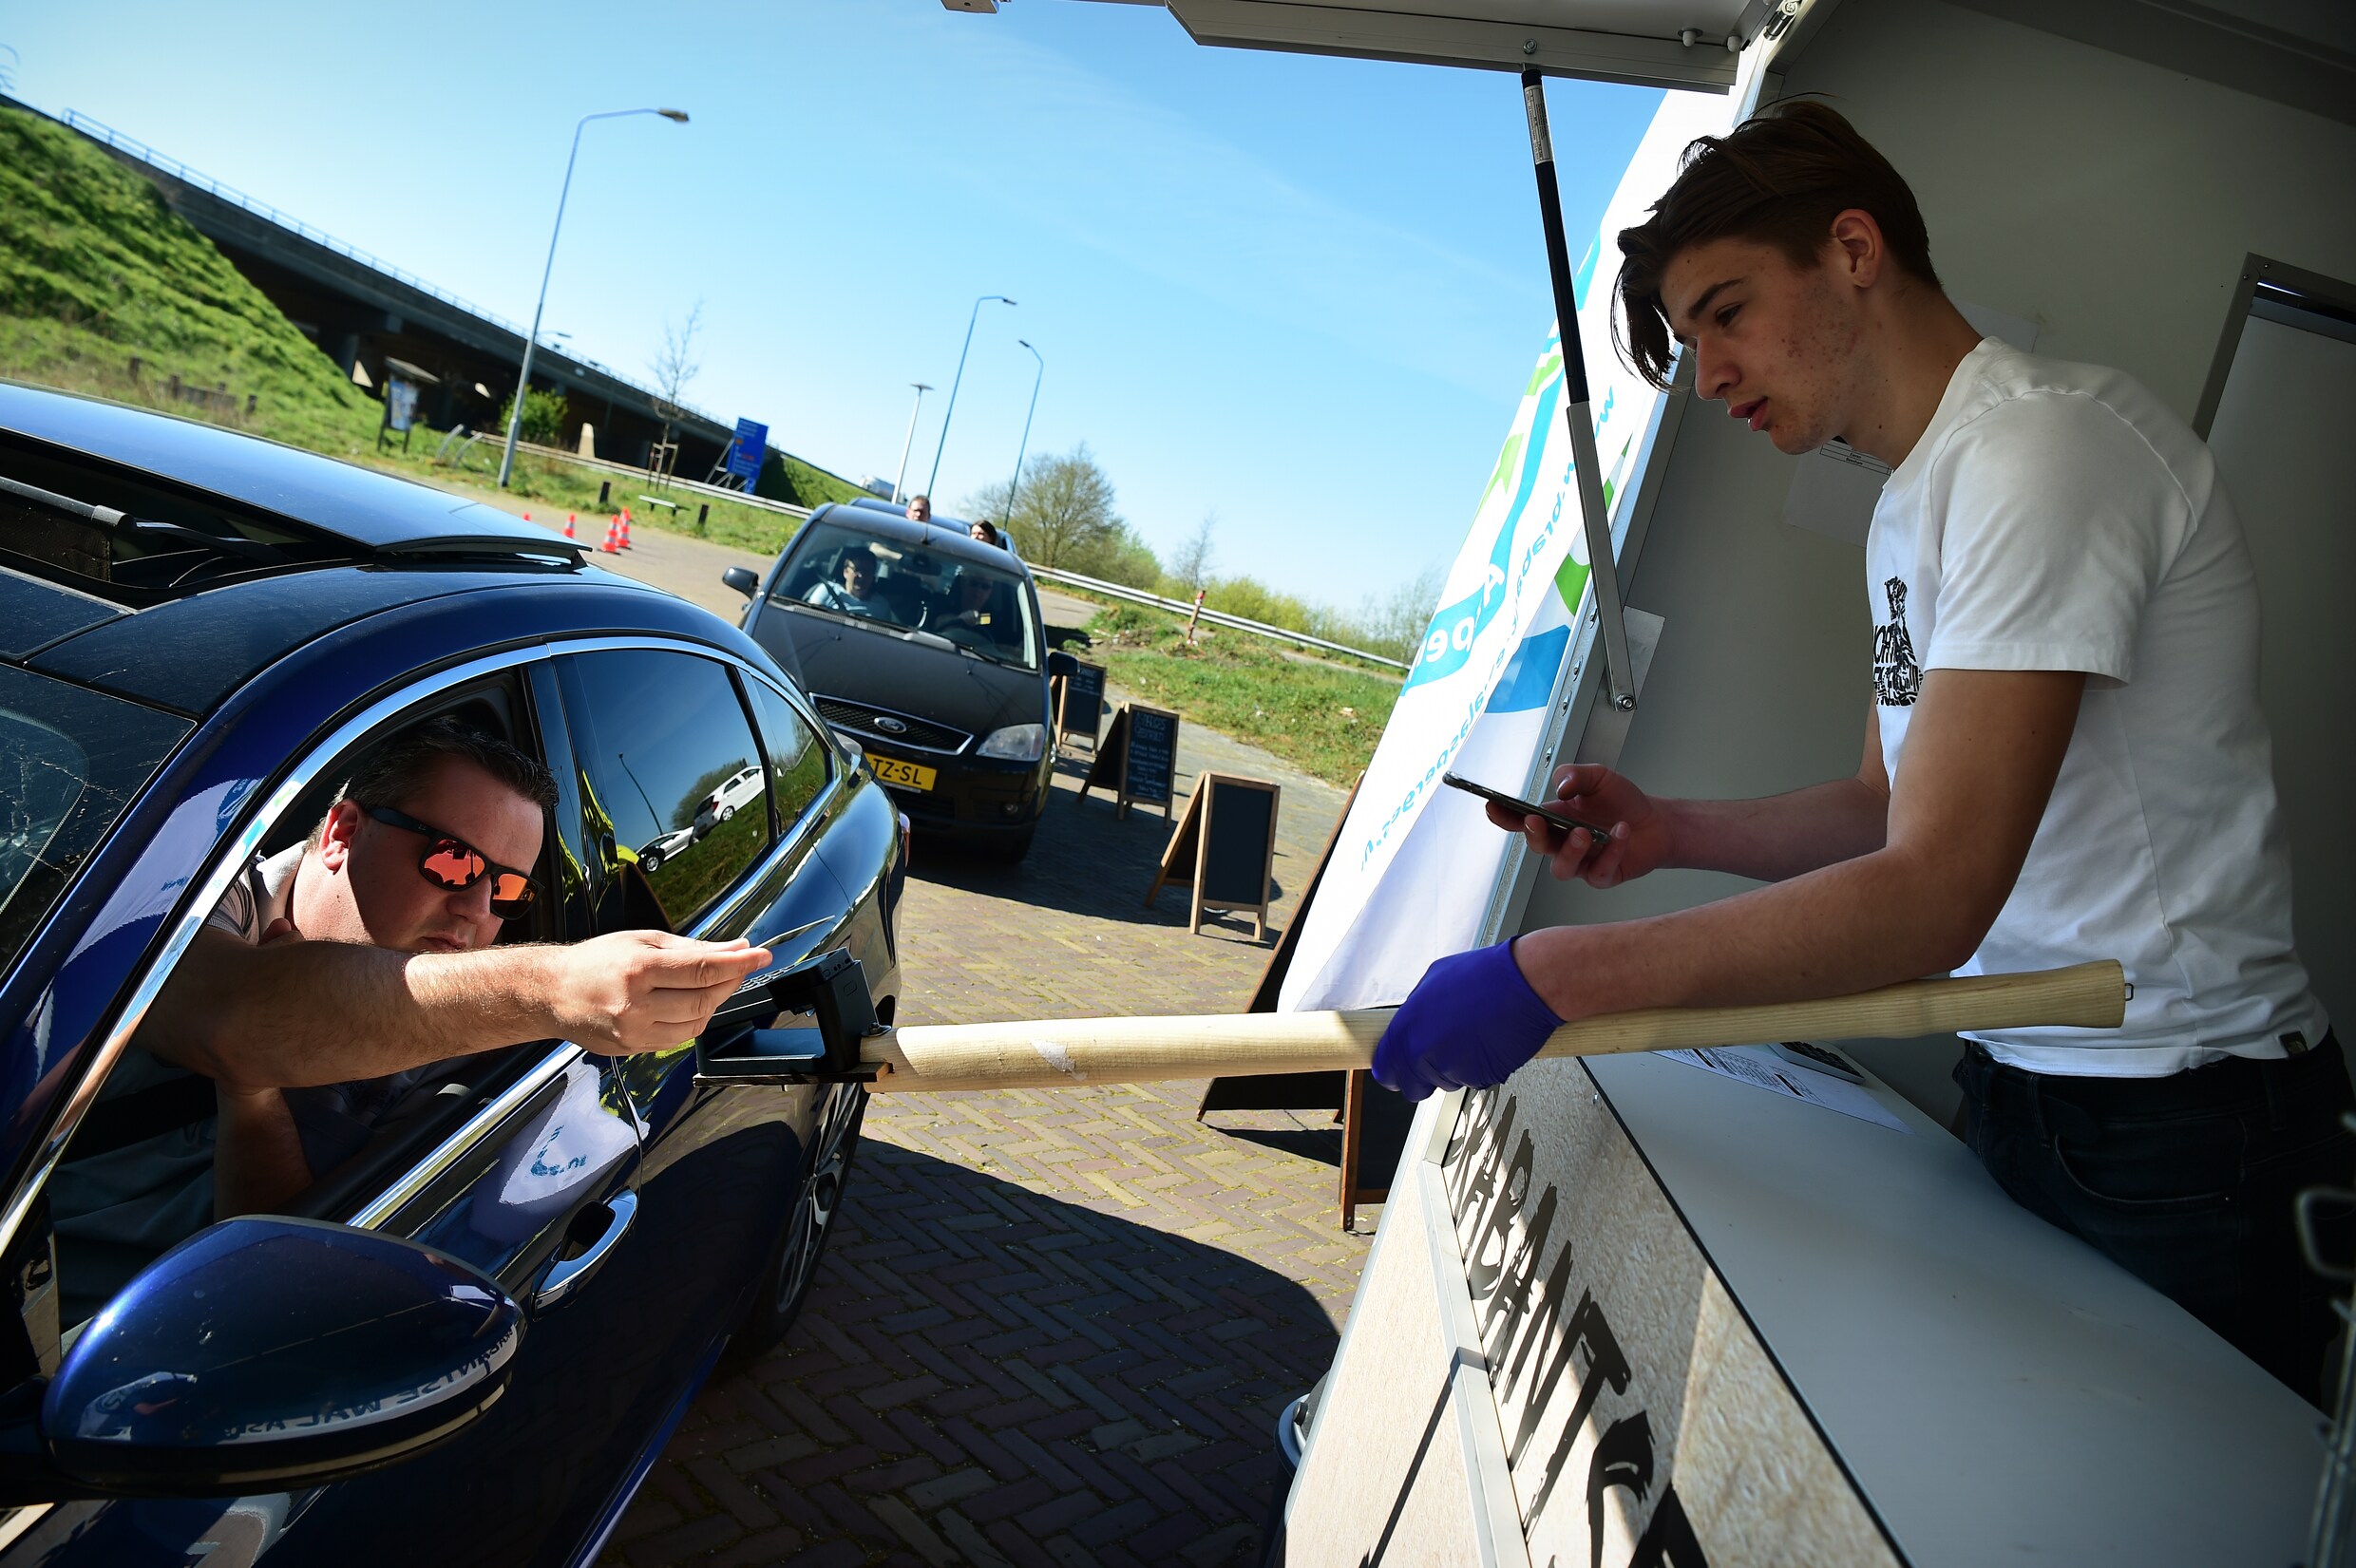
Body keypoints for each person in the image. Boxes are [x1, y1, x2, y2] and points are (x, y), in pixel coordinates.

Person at [1371, 101, 2343, 1399]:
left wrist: (1559, 972)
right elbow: (1892, 802)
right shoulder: (1908, 501)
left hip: (2189, 1121)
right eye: (1689, 336)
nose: (1706, 373)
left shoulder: (2044, 450)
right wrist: (1676, 831)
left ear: (1851, 247)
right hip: (2021, 1071)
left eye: (1724, 309)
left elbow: (1935, 887)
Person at [51, 719, 770, 1305]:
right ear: (340, 831)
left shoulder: (455, 1047)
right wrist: (553, 990)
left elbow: (269, 1274)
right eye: (454, 861)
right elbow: (231, 1012)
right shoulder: (201, 901)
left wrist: (253, 1089)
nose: (477, 910)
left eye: (509, 889)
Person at [805, 547, 886, 617]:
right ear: (846, 572)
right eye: (857, 570)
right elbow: (809, 617)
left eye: (867, 571)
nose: (861, 576)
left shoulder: (881, 605)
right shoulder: (827, 591)